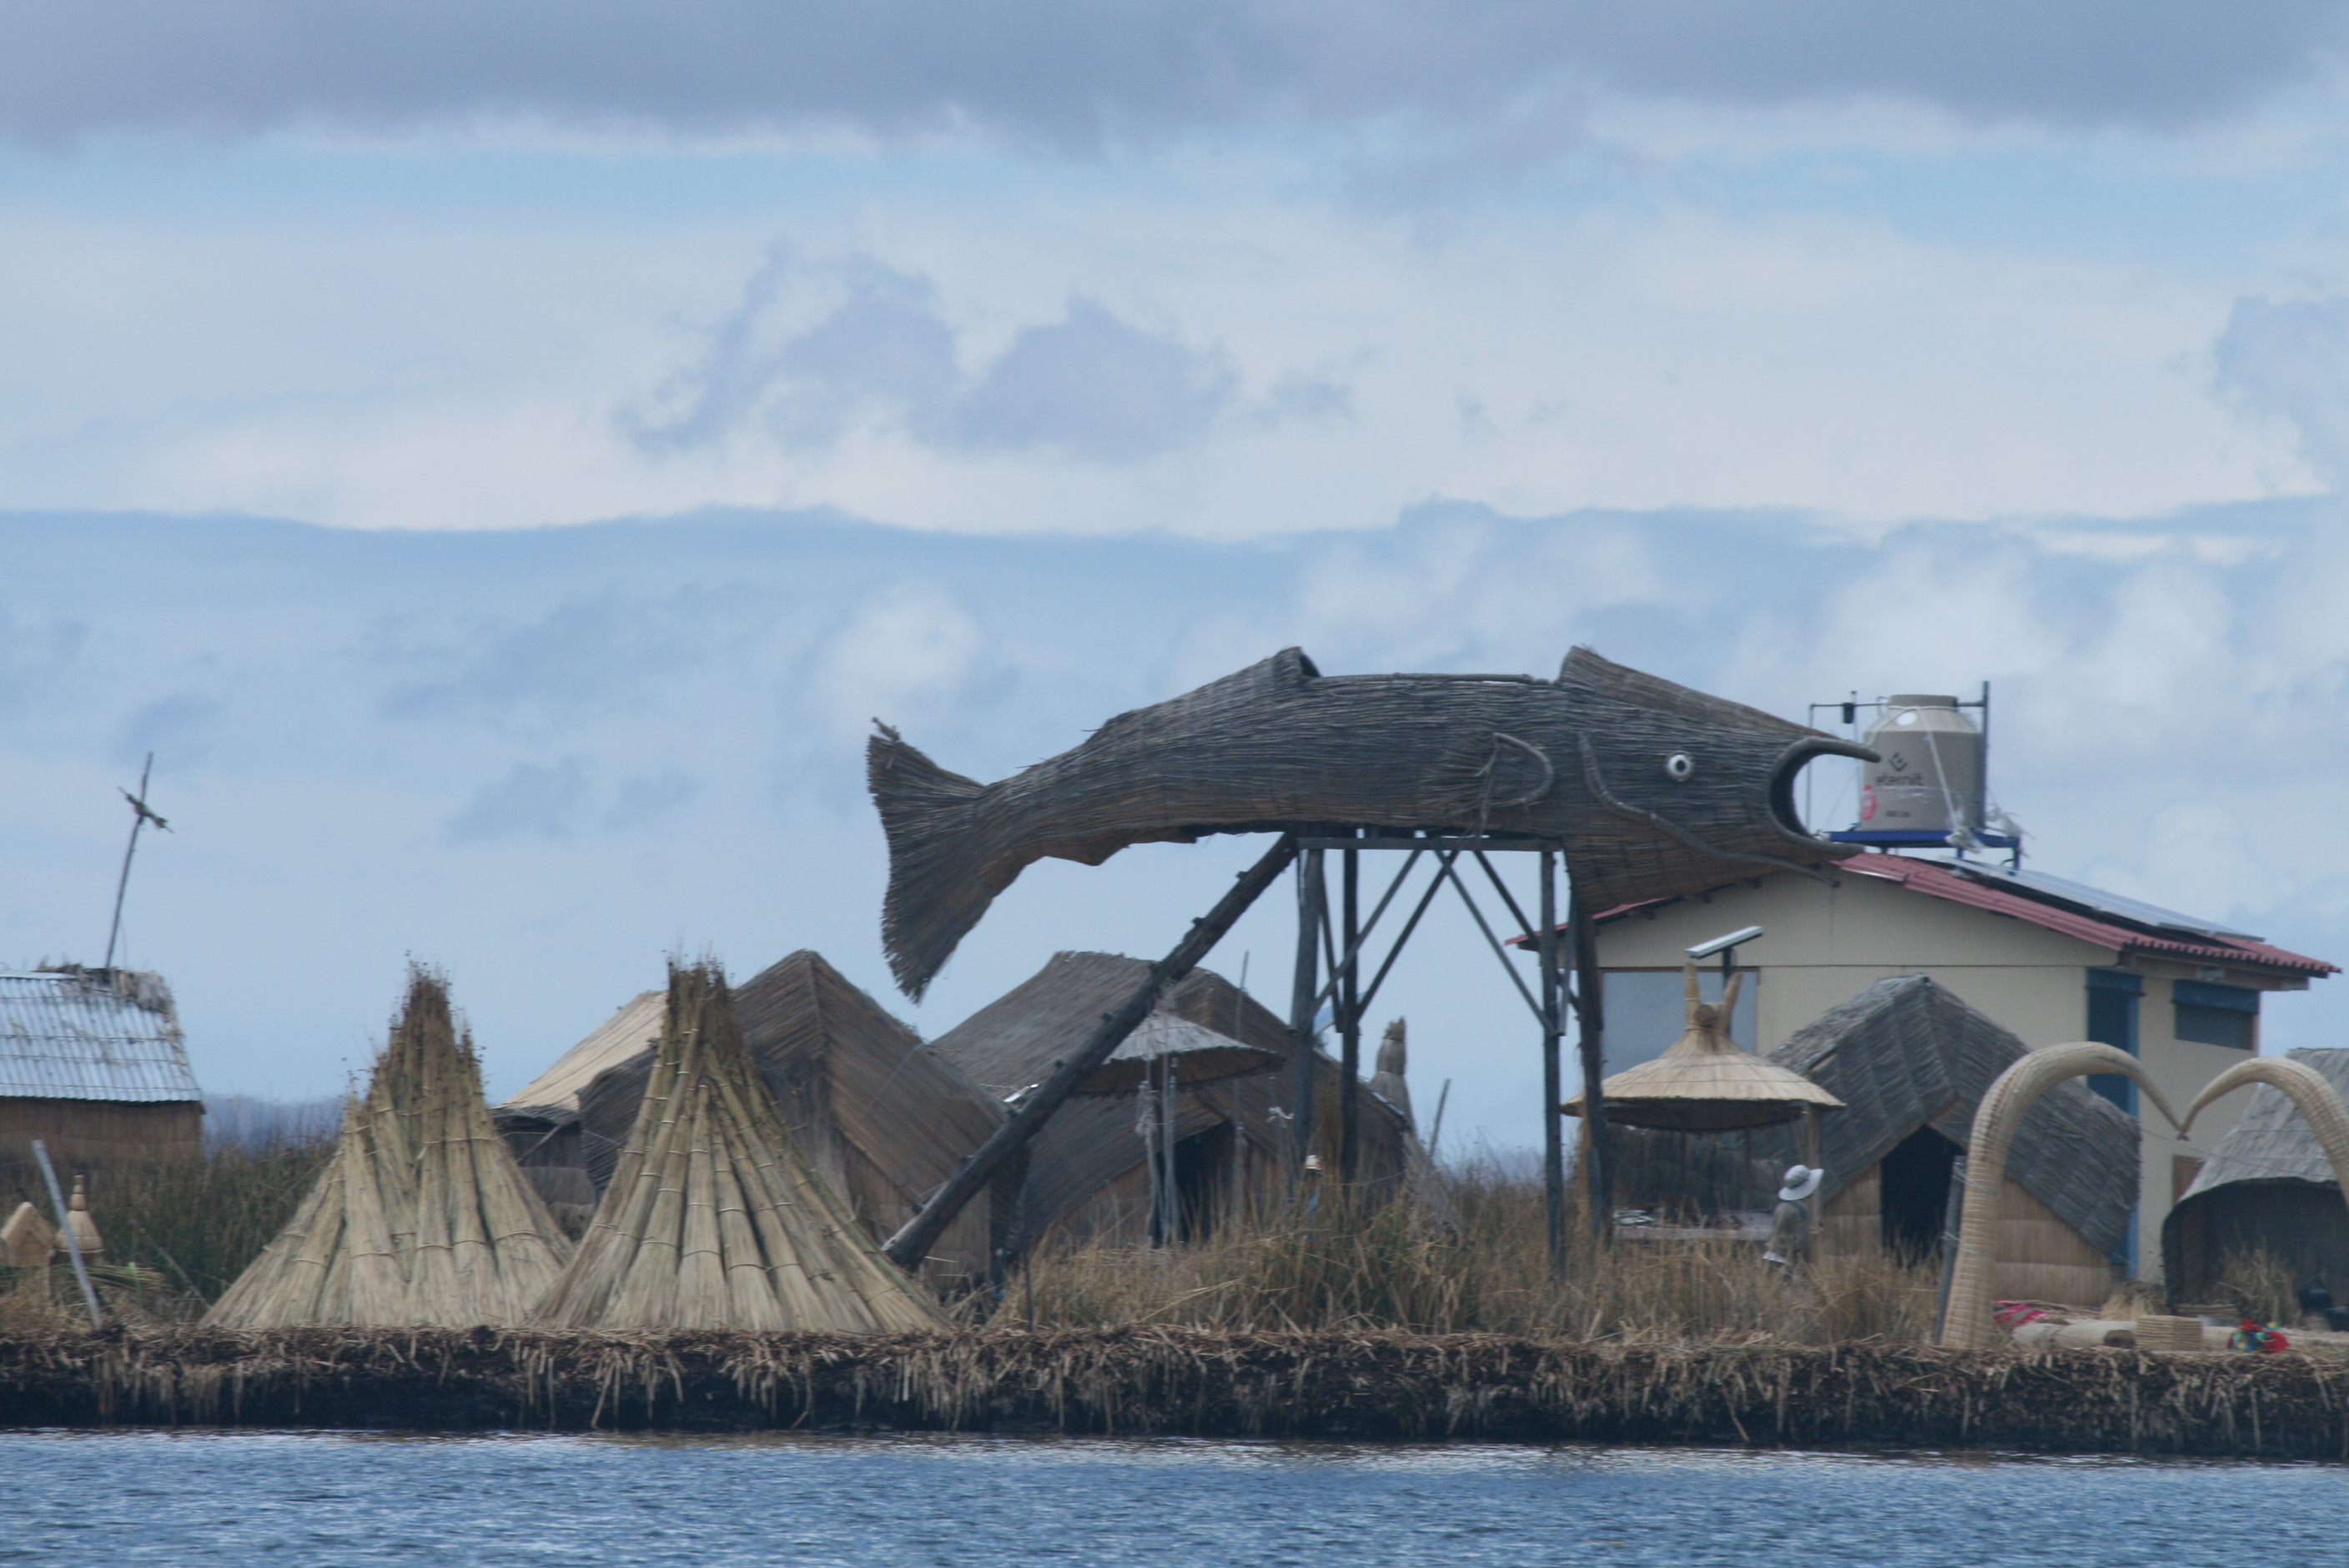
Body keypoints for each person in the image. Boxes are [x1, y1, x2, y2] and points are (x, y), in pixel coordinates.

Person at [1764, 1163, 1822, 1269]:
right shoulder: (1801, 1210)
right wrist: (1807, 1267)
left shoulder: (1781, 1206)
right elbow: (1803, 1242)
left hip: (1769, 1257)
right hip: (1785, 1262)